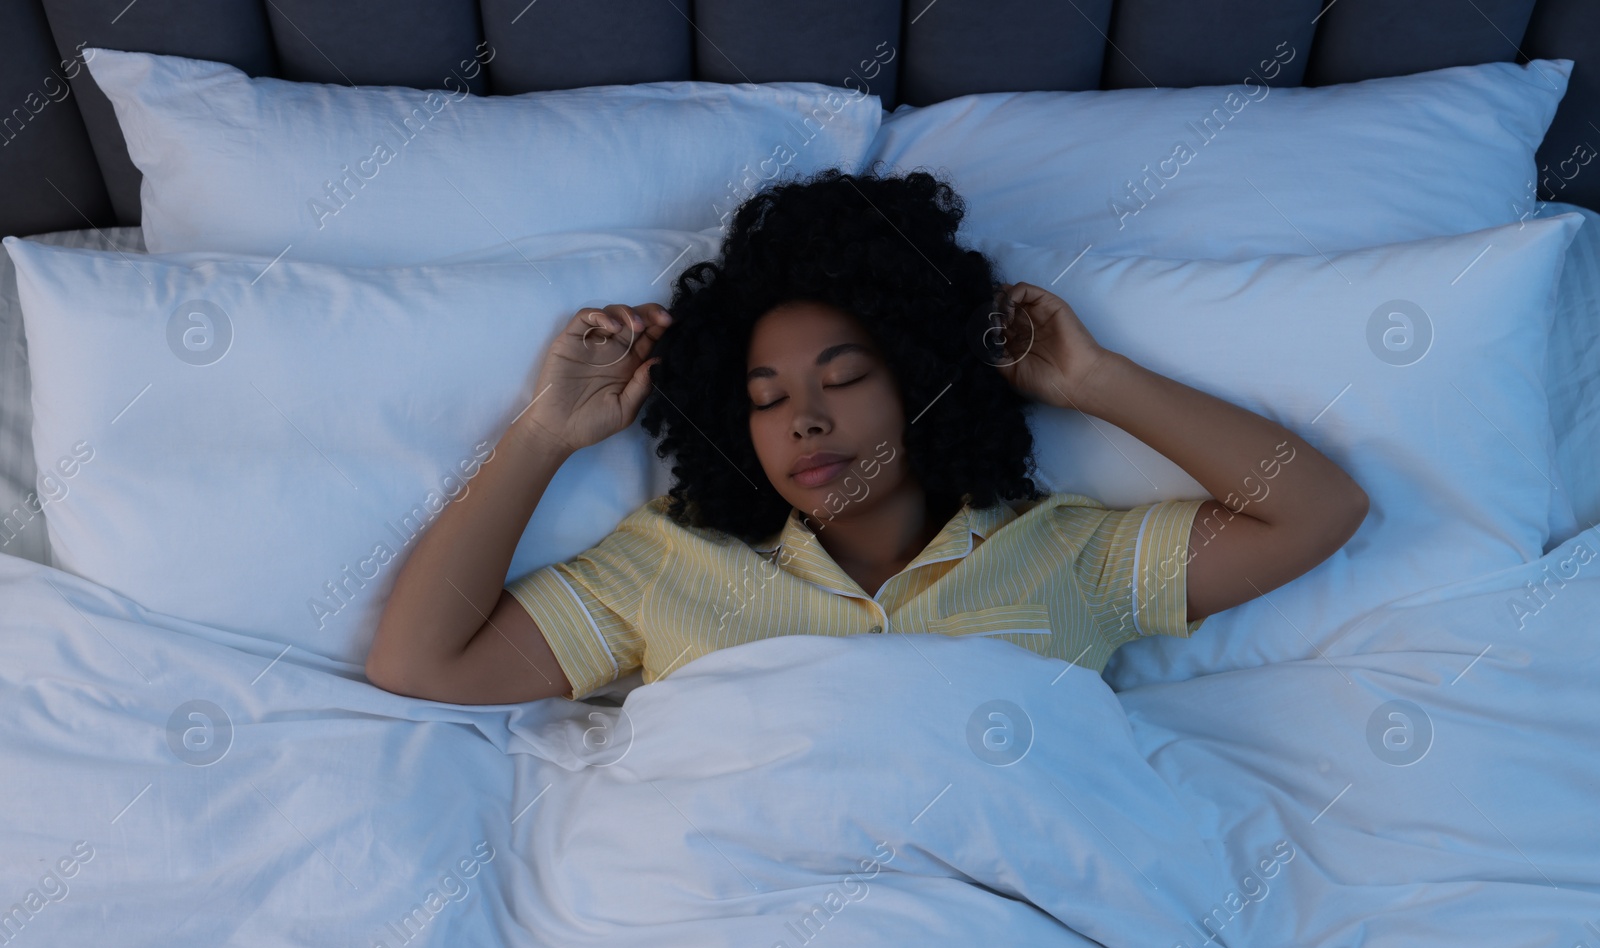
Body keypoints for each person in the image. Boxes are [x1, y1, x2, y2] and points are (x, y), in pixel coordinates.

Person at [364, 165, 1368, 704]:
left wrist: (1097, 381)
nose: (804, 415)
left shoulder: (1069, 552)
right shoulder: (668, 560)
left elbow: (1316, 509)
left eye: (844, 377)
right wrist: (545, 434)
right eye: (763, 397)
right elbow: (420, 664)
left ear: (927, 384)